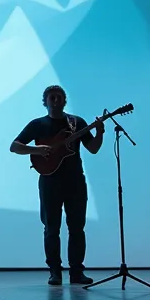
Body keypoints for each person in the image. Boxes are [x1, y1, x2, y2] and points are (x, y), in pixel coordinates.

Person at [9, 84, 104, 285]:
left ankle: (77, 272)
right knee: (51, 228)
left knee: (77, 228)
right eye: (51, 97)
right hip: (50, 181)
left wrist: (100, 133)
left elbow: (93, 148)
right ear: (45, 102)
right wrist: (37, 150)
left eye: (59, 97)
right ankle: (55, 272)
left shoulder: (77, 122)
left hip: (75, 180)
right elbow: (14, 146)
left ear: (64, 100)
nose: (55, 100)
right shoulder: (37, 124)